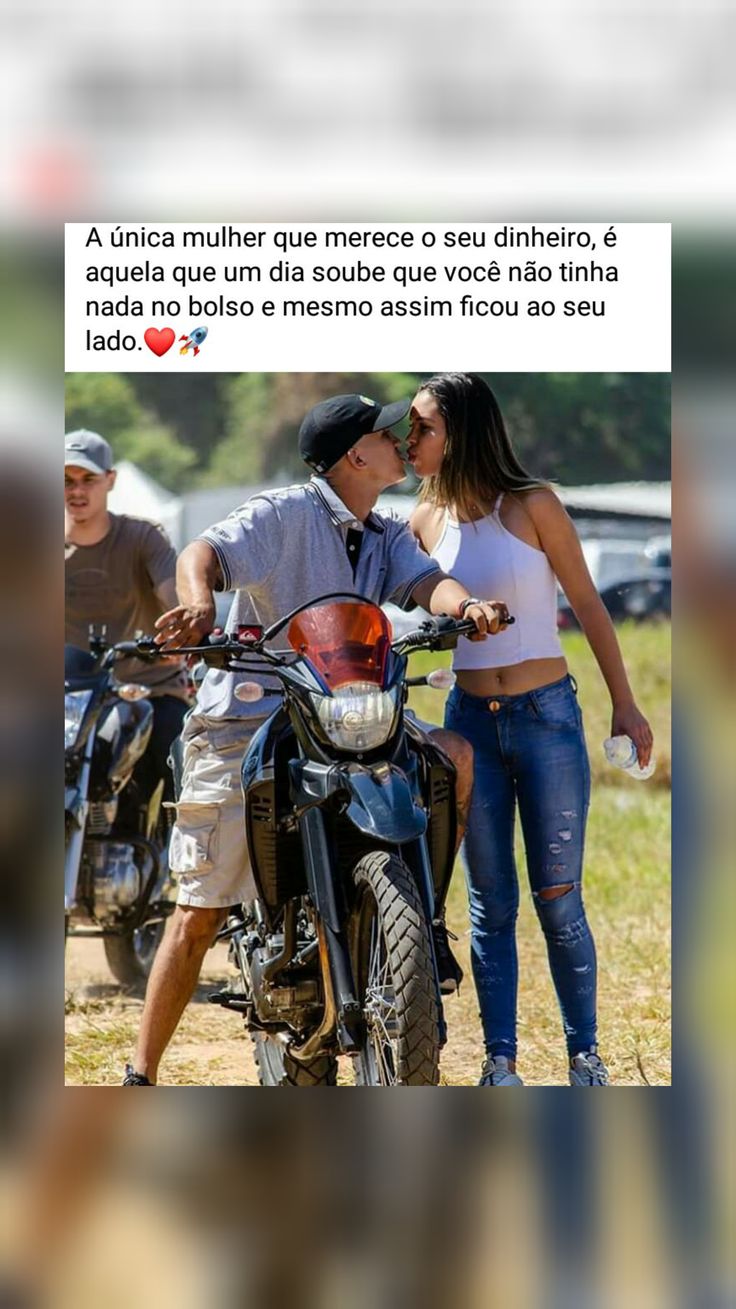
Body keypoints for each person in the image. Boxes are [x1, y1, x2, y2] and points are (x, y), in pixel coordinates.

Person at [123, 392, 511, 1085]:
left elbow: (429, 585)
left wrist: (468, 607)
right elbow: (202, 551)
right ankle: (140, 1074)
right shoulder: (283, 515)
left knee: (453, 756)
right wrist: (201, 603)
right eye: (387, 434)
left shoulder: (385, 531)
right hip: (254, 714)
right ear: (355, 455)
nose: (402, 440)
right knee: (200, 909)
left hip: (348, 711)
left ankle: (418, 924)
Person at [407, 373, 654, 1087]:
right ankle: (500, 1062)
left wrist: (626, 703)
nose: (411, 440)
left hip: (547, 716)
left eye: (423, 427)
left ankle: (586, 1057)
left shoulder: (534, 504)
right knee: (489, 902)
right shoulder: (424, 521)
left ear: (461, 429)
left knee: (558, 896)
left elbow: (589, 605)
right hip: (469, 725)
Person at [65, 430, 189, 819]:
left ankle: (184, 857)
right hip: (70, 698)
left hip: (146, 689)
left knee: (177, 748)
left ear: (110, 480)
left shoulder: (142, 538)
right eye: (66, 481)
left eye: (88, 479)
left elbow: (175, 599)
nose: (76, 491)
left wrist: (181, 632)